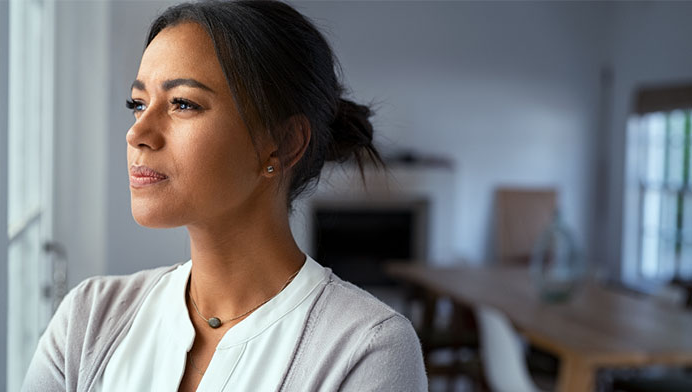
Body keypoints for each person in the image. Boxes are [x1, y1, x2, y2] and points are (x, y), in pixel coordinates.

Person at [22, 1, 427, 391]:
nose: (137, 134)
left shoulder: (367, 350)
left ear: (283, 144)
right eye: (138, 103)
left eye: (182, 103)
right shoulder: (89, 318)